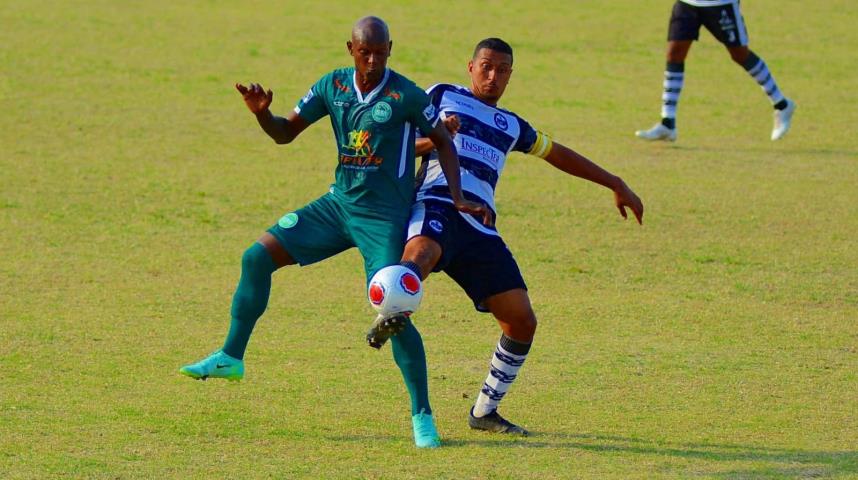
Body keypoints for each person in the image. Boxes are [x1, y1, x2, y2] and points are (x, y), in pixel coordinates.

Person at [179, 16, 489, 449]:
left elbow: (442, 140)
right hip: (337, 205)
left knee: (393, 311)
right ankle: (231, 356)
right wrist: (262, 114)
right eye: (366, 52)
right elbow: (285, 134)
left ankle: (422, 417)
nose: (374, 60)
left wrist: (455, 195)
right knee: (256, 257)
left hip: (383, 218)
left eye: (381, 52)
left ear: (390, 49)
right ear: (351, 49)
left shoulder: (406, 94)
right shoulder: (333, 86)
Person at [366, 38, 644, 435]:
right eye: (486, 66)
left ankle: (484, 412)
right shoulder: (441, 96)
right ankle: (392, 309)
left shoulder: (512, 125)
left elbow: (559, 155)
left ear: (510, 75)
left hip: (479, 225)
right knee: (421, 255)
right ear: (471, 66)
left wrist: (614, 181)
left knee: (521, 320)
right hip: (439, 202)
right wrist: (437, 137)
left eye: (502, 70)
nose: (492, 76)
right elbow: (392, 145)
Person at [635, 0, 796, 142]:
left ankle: (782, 105)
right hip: (687, 4)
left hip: (720, 4)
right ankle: (667, 123)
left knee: (740, 54)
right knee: (674, 54)